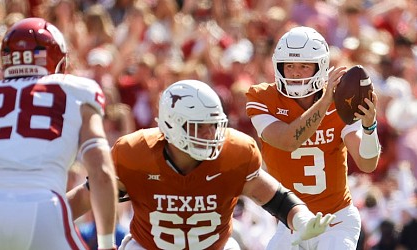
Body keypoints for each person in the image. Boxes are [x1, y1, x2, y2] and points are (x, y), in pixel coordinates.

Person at [68, 79, 336, 250]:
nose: (212, 135)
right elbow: (82, 200)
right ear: (172, 125)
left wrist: (302, 220)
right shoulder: (135, 155)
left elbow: (276, 198)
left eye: (214, 126)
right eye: (201, 128)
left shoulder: (235, 153)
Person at [0, 18, 118, 250]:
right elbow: (102, 173)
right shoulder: (77, 90)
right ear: (57, 59)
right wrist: (107, 243)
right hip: (43, 208)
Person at [245, 26, 381, 249]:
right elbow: (288, 141)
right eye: (289, 66)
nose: (296, 73)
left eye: (304, 66)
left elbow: (367, 164)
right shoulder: (262, 97)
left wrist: (369, 127)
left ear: (320, 67)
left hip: (336, 221)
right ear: (278, 66)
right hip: (292, 223)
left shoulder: (340, 101)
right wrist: (324, 102)